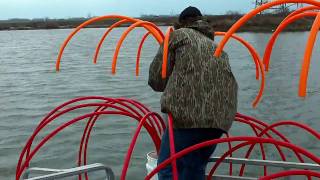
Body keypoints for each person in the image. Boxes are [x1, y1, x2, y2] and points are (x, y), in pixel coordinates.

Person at [148, 6, 238, 180]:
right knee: (195, 168)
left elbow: (157, 80)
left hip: (188, 116)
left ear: (181, 23)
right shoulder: (216, 46)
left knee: (168, 168)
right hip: (220, 120)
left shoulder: (176, 37)